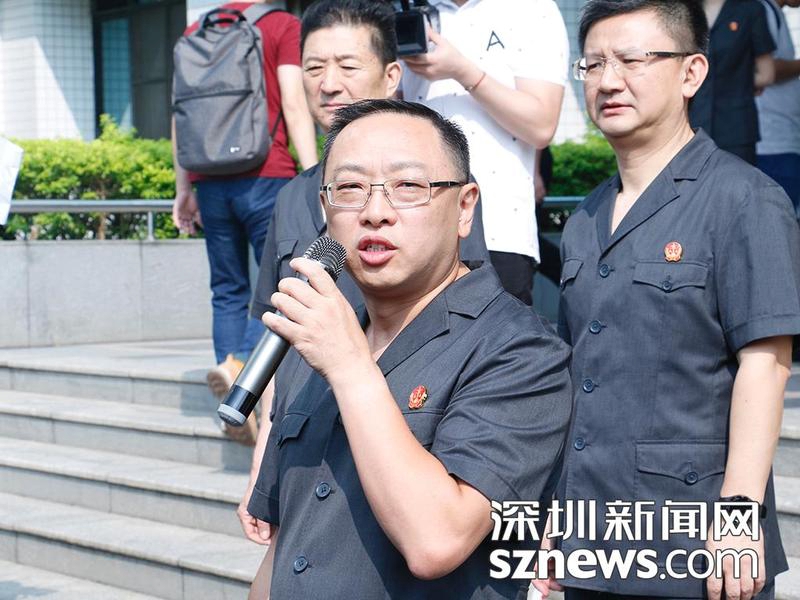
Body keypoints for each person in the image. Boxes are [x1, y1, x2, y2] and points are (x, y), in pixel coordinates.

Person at [245, 98, 572, 599]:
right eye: (350, 188)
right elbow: (285, 547)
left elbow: (437, 541)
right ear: (325, 210)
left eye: (408, 187)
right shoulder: (314, 341)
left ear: (464, 207)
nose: (375, 213)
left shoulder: (522, 352)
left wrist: (351, 368)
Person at [534, 1, 800, 598]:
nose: (608, 81)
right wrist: (554, 518)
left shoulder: (743, 199)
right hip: (591, 540)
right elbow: (577, 381)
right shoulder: (587, 218)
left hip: (693, 545)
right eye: (593, 64)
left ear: (691, 73)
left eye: (632, 60)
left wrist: (738, 520)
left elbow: (766, 366)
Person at [237, 0, 490, 550]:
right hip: (308, 450)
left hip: (411, 442)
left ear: (392, 75)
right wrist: (263, 460)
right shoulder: (291, 197)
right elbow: (283, 338)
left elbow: (471, 318)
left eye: (347, 66)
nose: (329, 84)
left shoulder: (436, 190)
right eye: (313, 67)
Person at [171, 0, 318, 444]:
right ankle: (243, 376)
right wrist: (314, 177)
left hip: (209, 181)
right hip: (266, 175)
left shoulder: (196, 30)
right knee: (279, 287)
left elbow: (180, 115)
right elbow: (294, 101)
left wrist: (183, 188)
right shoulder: (282, 25)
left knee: (227, 289)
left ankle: (232, 388)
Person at [401, 0, 568, 306]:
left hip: (499, 229)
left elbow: (542, 125)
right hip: (411, 227)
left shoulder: (532, 9)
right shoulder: (405, 10)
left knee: (499, 332)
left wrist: (462, 71)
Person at [689, 0, 775, 164]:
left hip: (736, 126)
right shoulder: (682, 8)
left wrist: (739, 82)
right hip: (689, 121)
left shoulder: (751, 9)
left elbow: (767, 74)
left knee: (738, 178)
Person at [756, 0, 800, 218]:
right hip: (771, 142)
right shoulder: (762, 9)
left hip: (781, 140)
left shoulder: (772, 11)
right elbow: (765, 69)